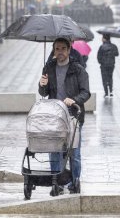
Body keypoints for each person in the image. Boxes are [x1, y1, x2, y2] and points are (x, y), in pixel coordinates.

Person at [39, 37, 90, 194]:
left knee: (73, 152)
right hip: (55, 116)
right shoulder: (48, 67)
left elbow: (86, 93)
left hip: (73, 116)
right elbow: (43, 93)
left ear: (69, 50)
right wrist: (42, 84)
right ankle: (57, 183)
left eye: (63, 49)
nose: (60, 52)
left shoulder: (78, 69)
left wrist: (73, 99)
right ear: (54, 51)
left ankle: (74, 182)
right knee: (54, 151)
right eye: (57, 49)